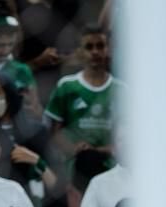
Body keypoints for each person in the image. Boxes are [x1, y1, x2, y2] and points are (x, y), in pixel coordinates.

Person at [45, 26, 123, 192]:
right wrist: (73, 149)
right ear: (79, 51)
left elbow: (130, 136)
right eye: (89, 47)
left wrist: (99, 151)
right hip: (74, 169)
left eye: (100, 46)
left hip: (112, 166)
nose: (95, 52)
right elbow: (54, 132)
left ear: (109, 48)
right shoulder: (66, 86)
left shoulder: (122, 90)